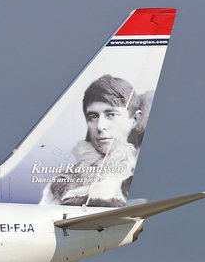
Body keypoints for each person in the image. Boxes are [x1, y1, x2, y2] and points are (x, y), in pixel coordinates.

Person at [40, 74, 148, 207]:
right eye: (93, 116)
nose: (100, 126)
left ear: (135, 120)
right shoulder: (62, 180)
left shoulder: (138, 171)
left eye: (111, 115)